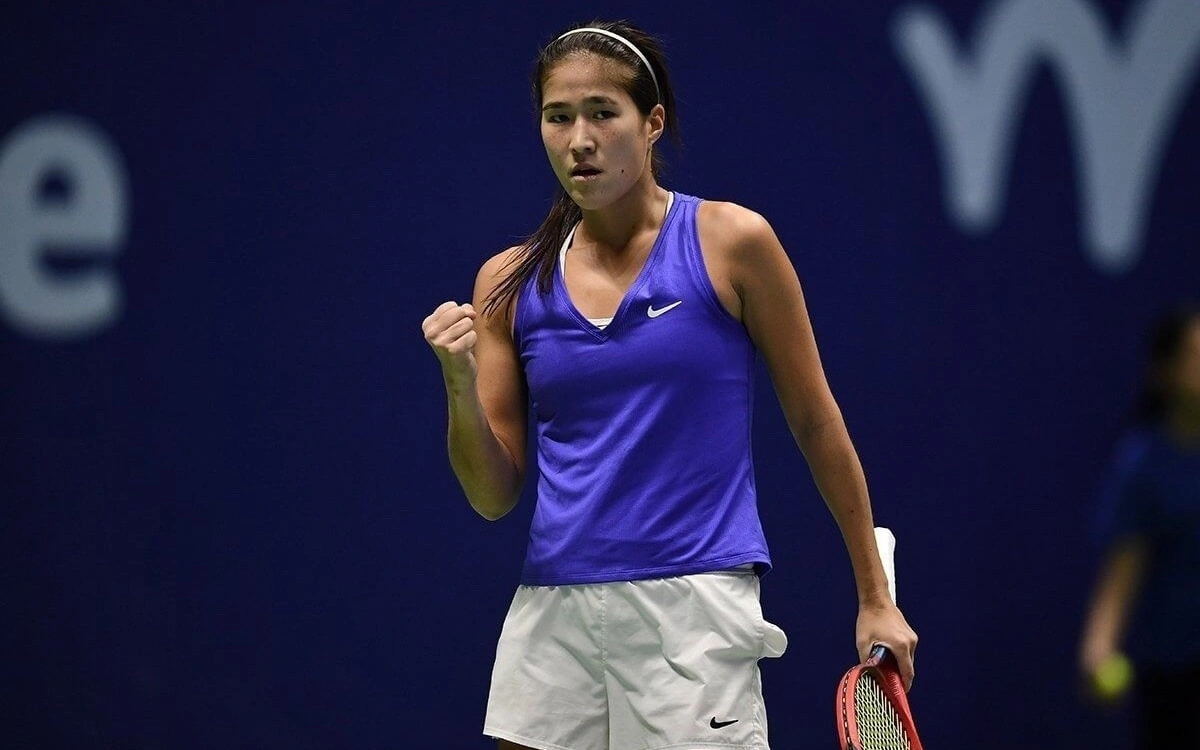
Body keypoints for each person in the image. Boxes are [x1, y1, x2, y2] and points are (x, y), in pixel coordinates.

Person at [421, 19, 917, 750]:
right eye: (558, 117)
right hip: (554, 615)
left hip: (695, 611)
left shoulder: (732, 242)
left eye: (602, 113)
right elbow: (492, 496)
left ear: (652, 123)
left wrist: (875, 596)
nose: (579, 140)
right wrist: (459, 386)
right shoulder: (510, 281)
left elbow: (816, 421)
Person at [1079, 307, 1200, 747]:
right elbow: (1123, 567)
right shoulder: (1143, 465)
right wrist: (1099, 647)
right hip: (1177, 676)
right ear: (1164, 372)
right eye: (1195, 356)